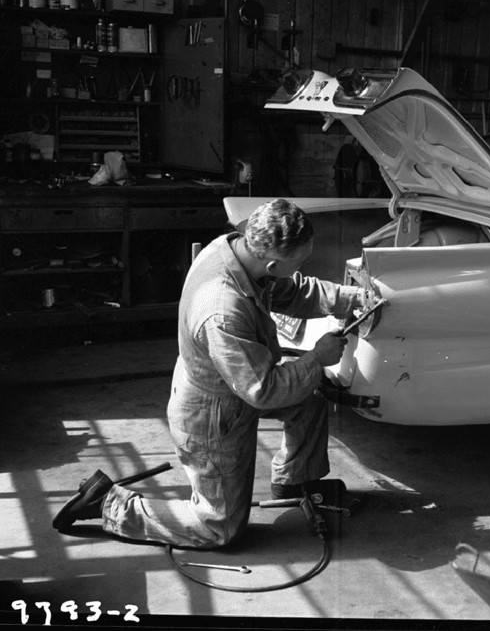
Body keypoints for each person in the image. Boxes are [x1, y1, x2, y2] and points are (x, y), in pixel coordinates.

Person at [53, 199, 368, 548]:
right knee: (219, 528)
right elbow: (263, 390)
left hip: (233, 384)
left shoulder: (235, 251)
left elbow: (291, 291)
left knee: (307, 399)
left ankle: (295, 481)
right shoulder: (222, 308)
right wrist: (316, 358)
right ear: (274, 262)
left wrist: (352, 298)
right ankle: (110, 504)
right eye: (301, 260)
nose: (304, 265)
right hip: (212, 416)